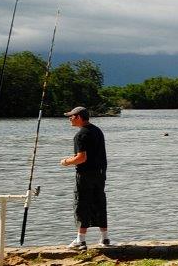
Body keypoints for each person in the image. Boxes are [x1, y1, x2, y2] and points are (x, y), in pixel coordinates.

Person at [59, 107, 110, 250]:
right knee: (99, 203)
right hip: (100, 174)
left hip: (85, 174)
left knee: (82, 204)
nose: (69, 119)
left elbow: (81, 158)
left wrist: (66, 161)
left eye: (71, 116)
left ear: (79, 117)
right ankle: (105, 239)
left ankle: (80, 241)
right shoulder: (97, 130)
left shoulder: (80, 135)